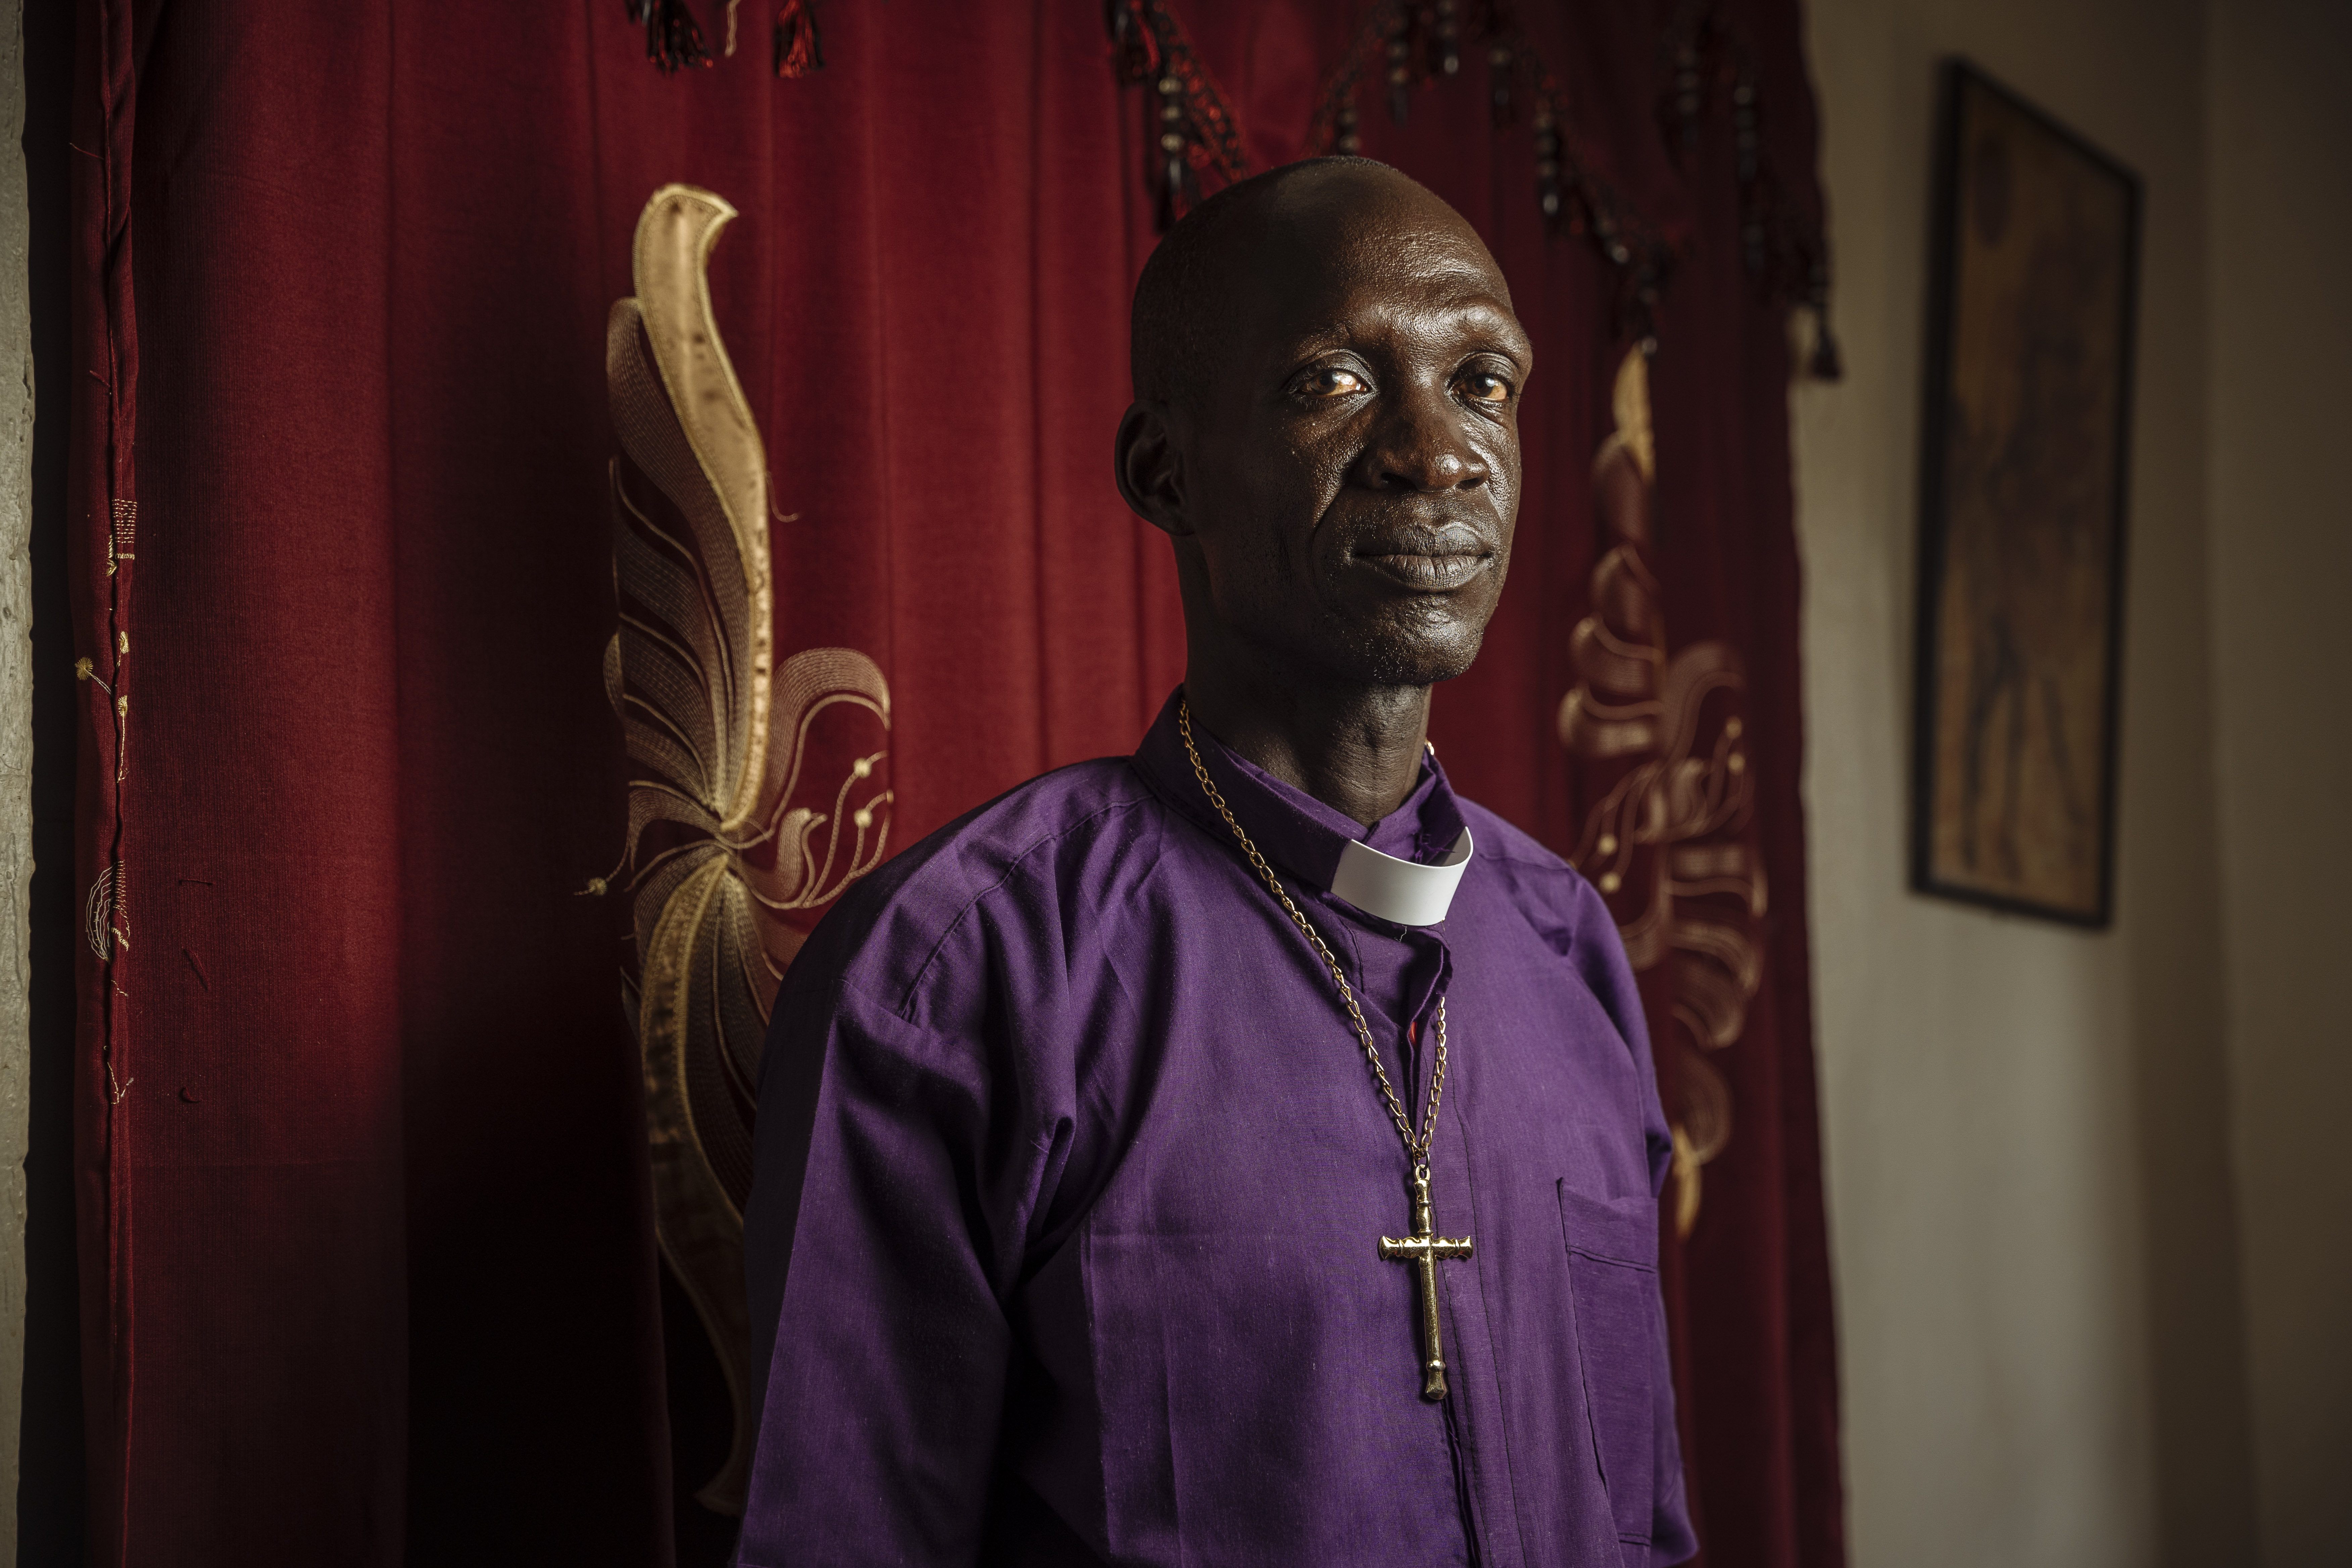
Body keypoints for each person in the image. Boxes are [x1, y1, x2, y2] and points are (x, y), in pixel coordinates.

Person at [737, 156, 1695, 1568]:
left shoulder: (1570, 946)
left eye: (1483, 380)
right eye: (1333, 382)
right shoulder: (959, 970)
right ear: (1164, 470)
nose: (1438, 453)